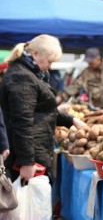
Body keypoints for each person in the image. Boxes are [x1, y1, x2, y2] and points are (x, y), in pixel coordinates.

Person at [0, 34, 88, 183]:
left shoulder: (30, 73)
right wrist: (26, 161)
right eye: (49, 61)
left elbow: (44, 110)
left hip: (36, 152)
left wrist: (72, 120)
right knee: (26, 204)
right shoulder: (21, 77)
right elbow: (22, 122)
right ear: (35, 53)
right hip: (28, 158)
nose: (50, 66)